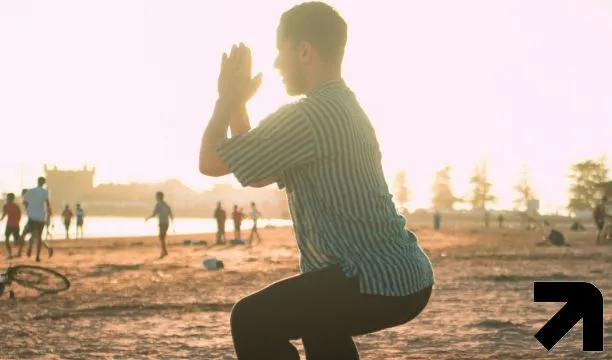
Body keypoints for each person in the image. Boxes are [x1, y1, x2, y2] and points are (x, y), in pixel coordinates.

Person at [198, 3, 434, 358]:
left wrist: (226, 97)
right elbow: (260, 172)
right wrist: (238, 105)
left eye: (281, 51)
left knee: (250, 319)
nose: (276, 64)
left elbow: (210, 161)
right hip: (404, 274)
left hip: (373, 277)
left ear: (304, 51)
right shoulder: (342, 106)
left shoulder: (309, 116)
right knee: (318, 321)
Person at [23, 177, 53, 262]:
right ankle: (37, 256)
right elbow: (47, 204)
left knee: (25, 233)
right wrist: (49, 214)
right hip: (40, 217)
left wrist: (28, 209)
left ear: (37, 181)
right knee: (38, 236)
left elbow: (24, 202)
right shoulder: (45, 192)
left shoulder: (31, 191)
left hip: (32, 216)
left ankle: (29, 249)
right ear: (44, 183)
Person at [145, 191, 173, 258]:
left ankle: (164, 252)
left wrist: (148, 217)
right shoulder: (166, 204)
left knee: (161, 237)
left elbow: (154, 214)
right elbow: (170, 214)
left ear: (159, 197)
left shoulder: (158, 204)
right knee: (162, 237)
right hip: (166, 223)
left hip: (162, 223)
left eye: (156, 196)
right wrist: (171, 218)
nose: (156, 197)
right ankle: (164, 252)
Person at [0, 193, 21, 259]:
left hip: (9, 225)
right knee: (16, 240)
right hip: (15, 225)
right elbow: (19, 215)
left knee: (7, 239)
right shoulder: (16, 206)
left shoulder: (6, 206)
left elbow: (3, 215)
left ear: (8, 198)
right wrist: (17, 221)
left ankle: (10, 254)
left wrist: (0, 220)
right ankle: (18, 253)